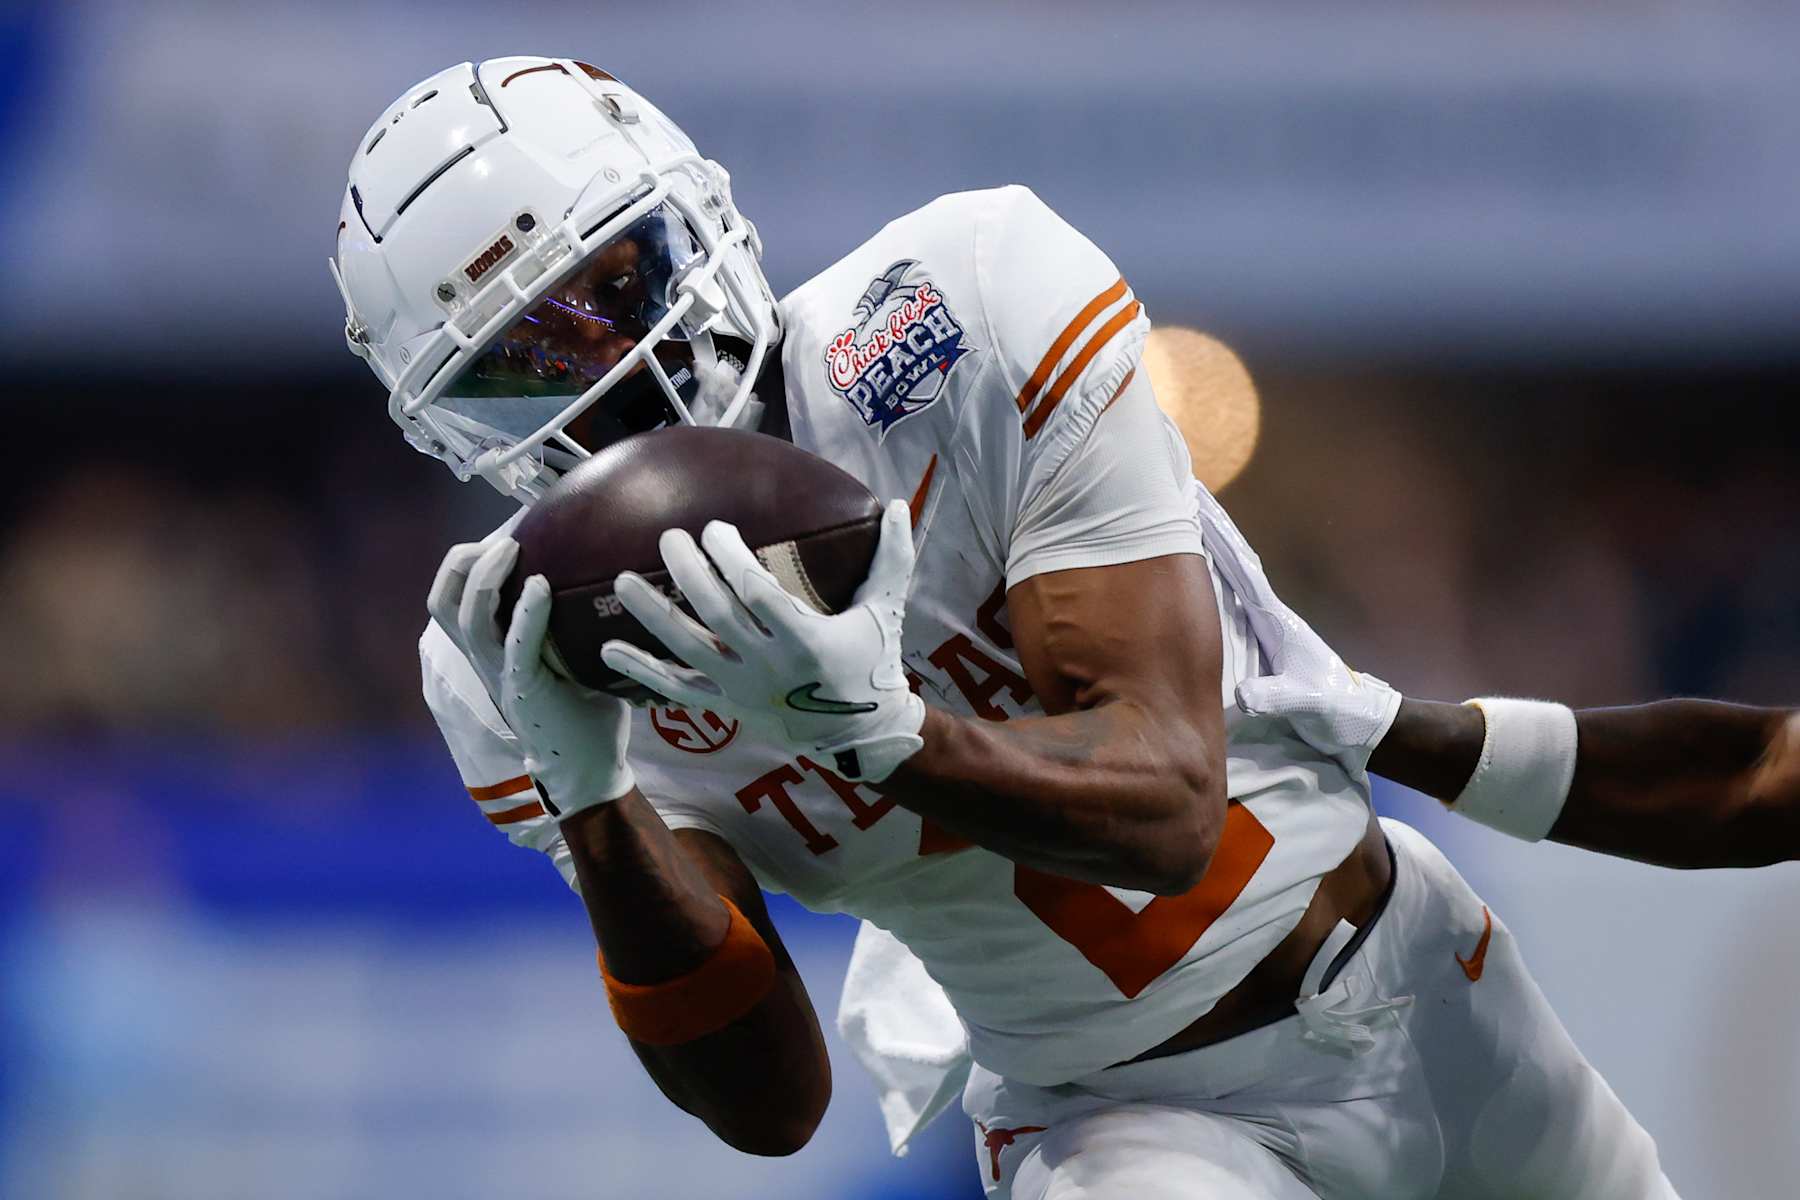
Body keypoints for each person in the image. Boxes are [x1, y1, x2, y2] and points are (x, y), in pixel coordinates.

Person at [332, 58, 1693, 1198]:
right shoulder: (515, 653)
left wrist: (877, 735)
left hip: (1417, 970)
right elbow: (767, 1101)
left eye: (613, 289)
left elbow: (1168, 807)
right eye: (525, 370)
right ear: (457, 431)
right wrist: (600, 803)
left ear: (699, 223)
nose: (609, 372)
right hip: (1126, 1125)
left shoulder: (949, 314)